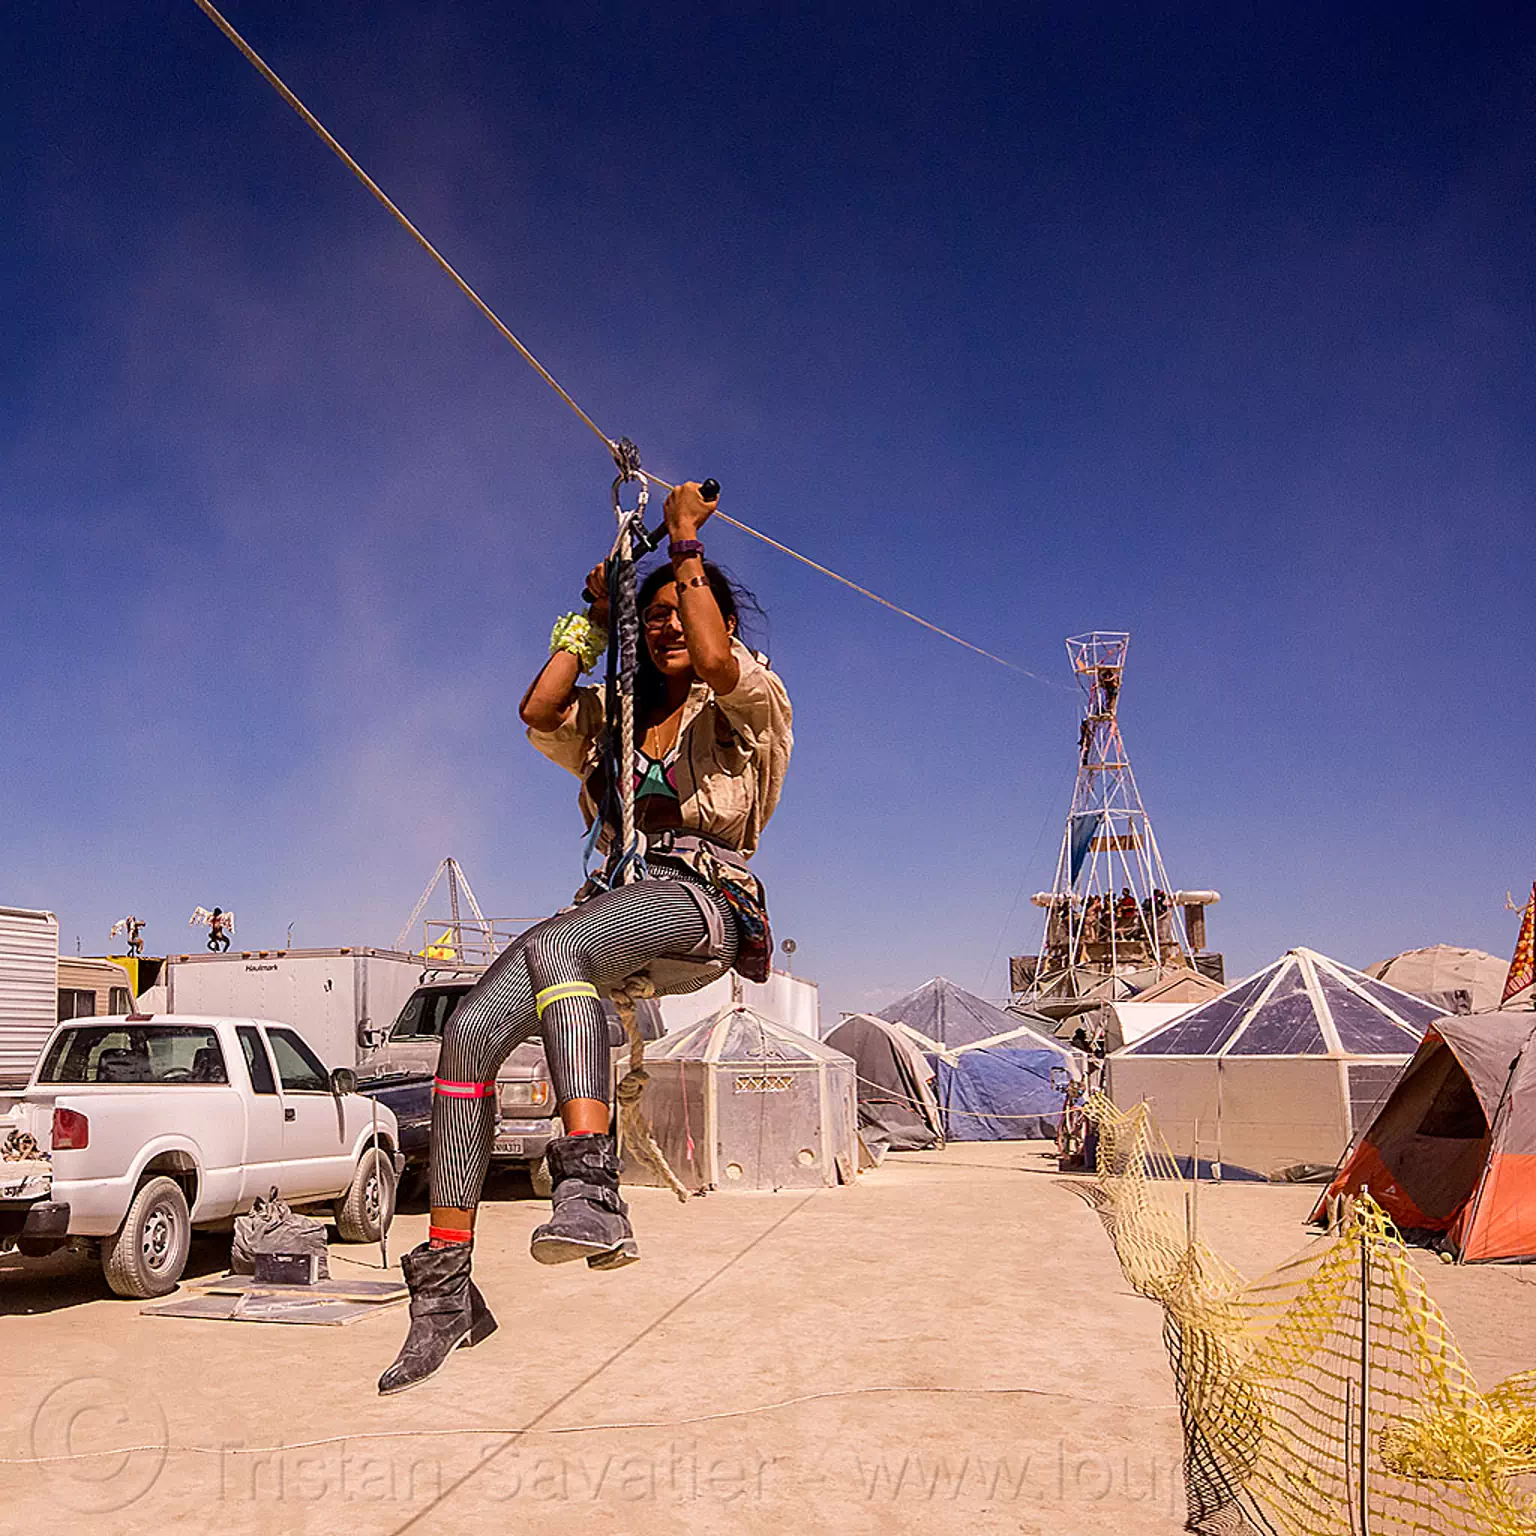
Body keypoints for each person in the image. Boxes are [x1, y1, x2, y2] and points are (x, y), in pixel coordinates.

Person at [379, 481, 792, 1396]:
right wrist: (592, 619)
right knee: (468, 1036)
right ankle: (446, 1288)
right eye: (653, 618)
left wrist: (683, 543)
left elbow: (719, 660)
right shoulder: (613, 721)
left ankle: (592, 1187)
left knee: (559, 947)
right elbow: (537, 710)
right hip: (614, 909)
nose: (668, 625)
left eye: (681, 609)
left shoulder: (749, 703)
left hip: (701, 903)